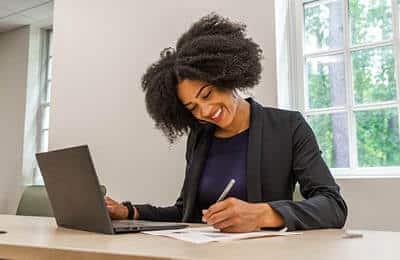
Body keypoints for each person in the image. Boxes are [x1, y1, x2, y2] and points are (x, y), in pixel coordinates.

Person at [105, 13, 347, 232]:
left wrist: (264, 214)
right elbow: (186, 212)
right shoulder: (200, 137)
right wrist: (129, 212)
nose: (206, 111)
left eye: (207, 95)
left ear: (226, 76)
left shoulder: (287, 127)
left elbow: (333, 205)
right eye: (193, 108)